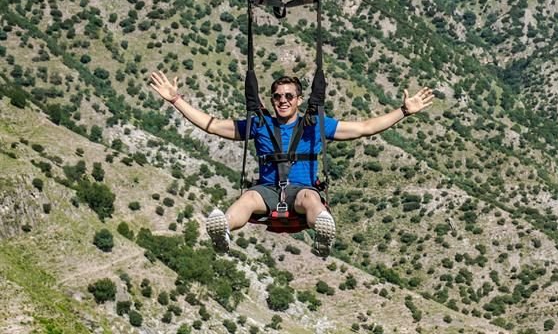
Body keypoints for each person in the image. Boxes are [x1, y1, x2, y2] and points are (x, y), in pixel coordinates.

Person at [149, 70, 434, 257]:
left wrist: (403, 111)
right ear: (272, 100)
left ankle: (323, 232)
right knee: (247, 199)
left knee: (311, 198)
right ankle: (222, 229)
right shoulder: (260, 125)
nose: (282, 100)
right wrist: (176, 100)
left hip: (301, 191)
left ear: (298, 100)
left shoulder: (315, 125)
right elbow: (212, 125)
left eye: (288, 96)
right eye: (277, 96)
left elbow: (364, 128)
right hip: (267, 190)